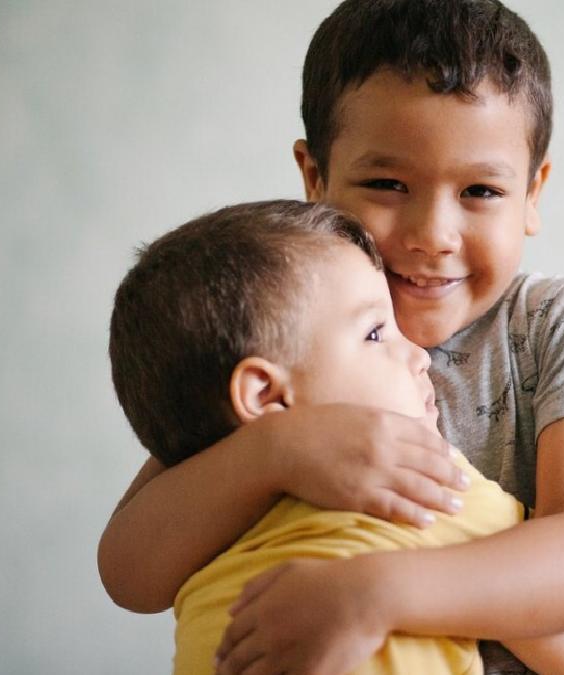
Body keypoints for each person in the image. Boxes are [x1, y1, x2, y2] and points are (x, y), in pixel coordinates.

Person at [98, 2, 564, 673]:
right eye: (386, 183)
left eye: (480, 190)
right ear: (314, 178)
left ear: (531, 192)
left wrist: (378, 591)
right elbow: (130, 573)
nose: (432, 234)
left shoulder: (559, 327)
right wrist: (280, 449)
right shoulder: (287, 317)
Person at [109, 200, 525, 675]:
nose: (420, 356)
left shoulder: (198, 520)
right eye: (375, 334)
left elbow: (125, 578)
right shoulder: (408, 473)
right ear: (265, 394)